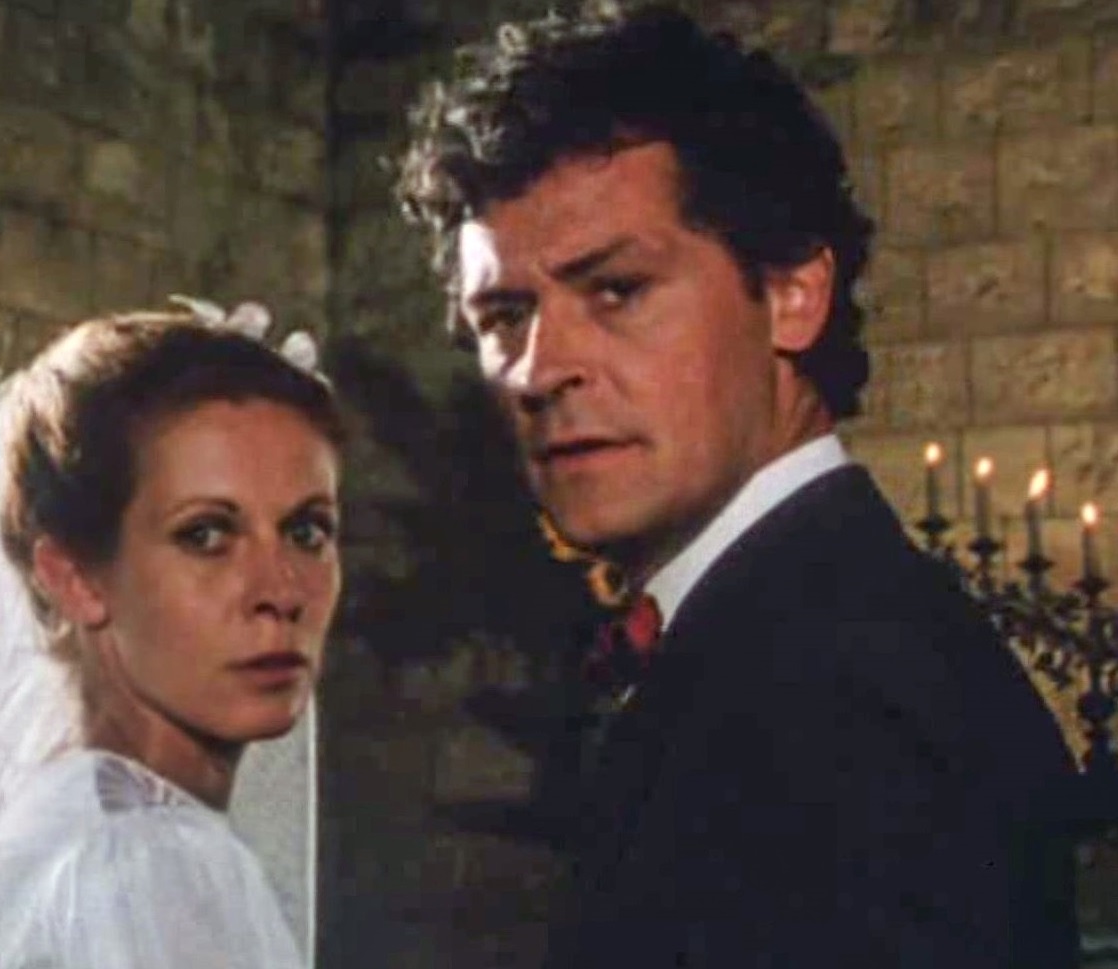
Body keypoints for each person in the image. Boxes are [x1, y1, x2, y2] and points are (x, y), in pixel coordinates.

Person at [395, 5, 1079, 967]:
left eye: (617, 290)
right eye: (504, 316)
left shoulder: (848, 693)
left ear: (794, 295)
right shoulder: (781, 632)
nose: (539, 370)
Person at [0, 298, 342, 968]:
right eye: (205, 535)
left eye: (307, 530)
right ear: (73, 576)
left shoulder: (43, 829)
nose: (281, 591)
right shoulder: (152, 863)